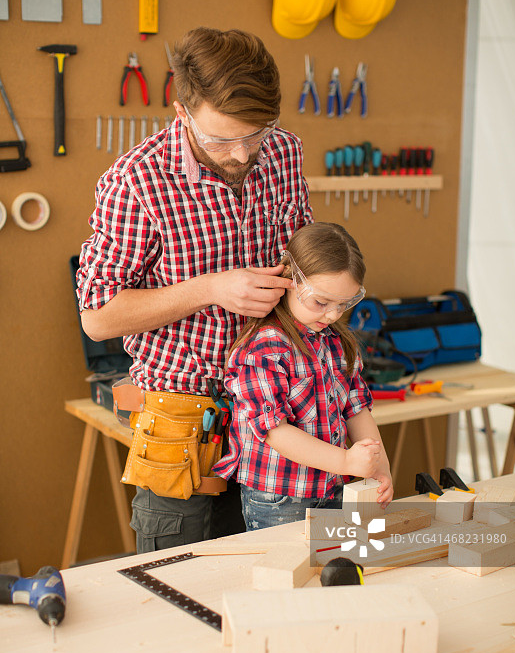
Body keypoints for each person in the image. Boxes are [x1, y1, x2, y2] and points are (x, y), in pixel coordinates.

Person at [76, 28, 313, 552]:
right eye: (222, 138)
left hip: (274, 405)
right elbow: (97, 316)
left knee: (268, 573)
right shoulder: (136, 183)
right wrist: (211, 288)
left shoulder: (283, 153)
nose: (242, 152)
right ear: (182, 113)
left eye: (255, 134)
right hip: (181, 421)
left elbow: (298, 250)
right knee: (177, 588)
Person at [212, 222, 393, 530]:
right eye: (321, 302)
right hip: (280, 498)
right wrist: (347, 462)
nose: (333, 315)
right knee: (287, 573)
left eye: (343, 304)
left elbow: (357, 411)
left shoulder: (336, 342)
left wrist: (381, 469)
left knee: (331, 565)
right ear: (291, 281)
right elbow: (276, 433)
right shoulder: (264, 349)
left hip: (332, 487)